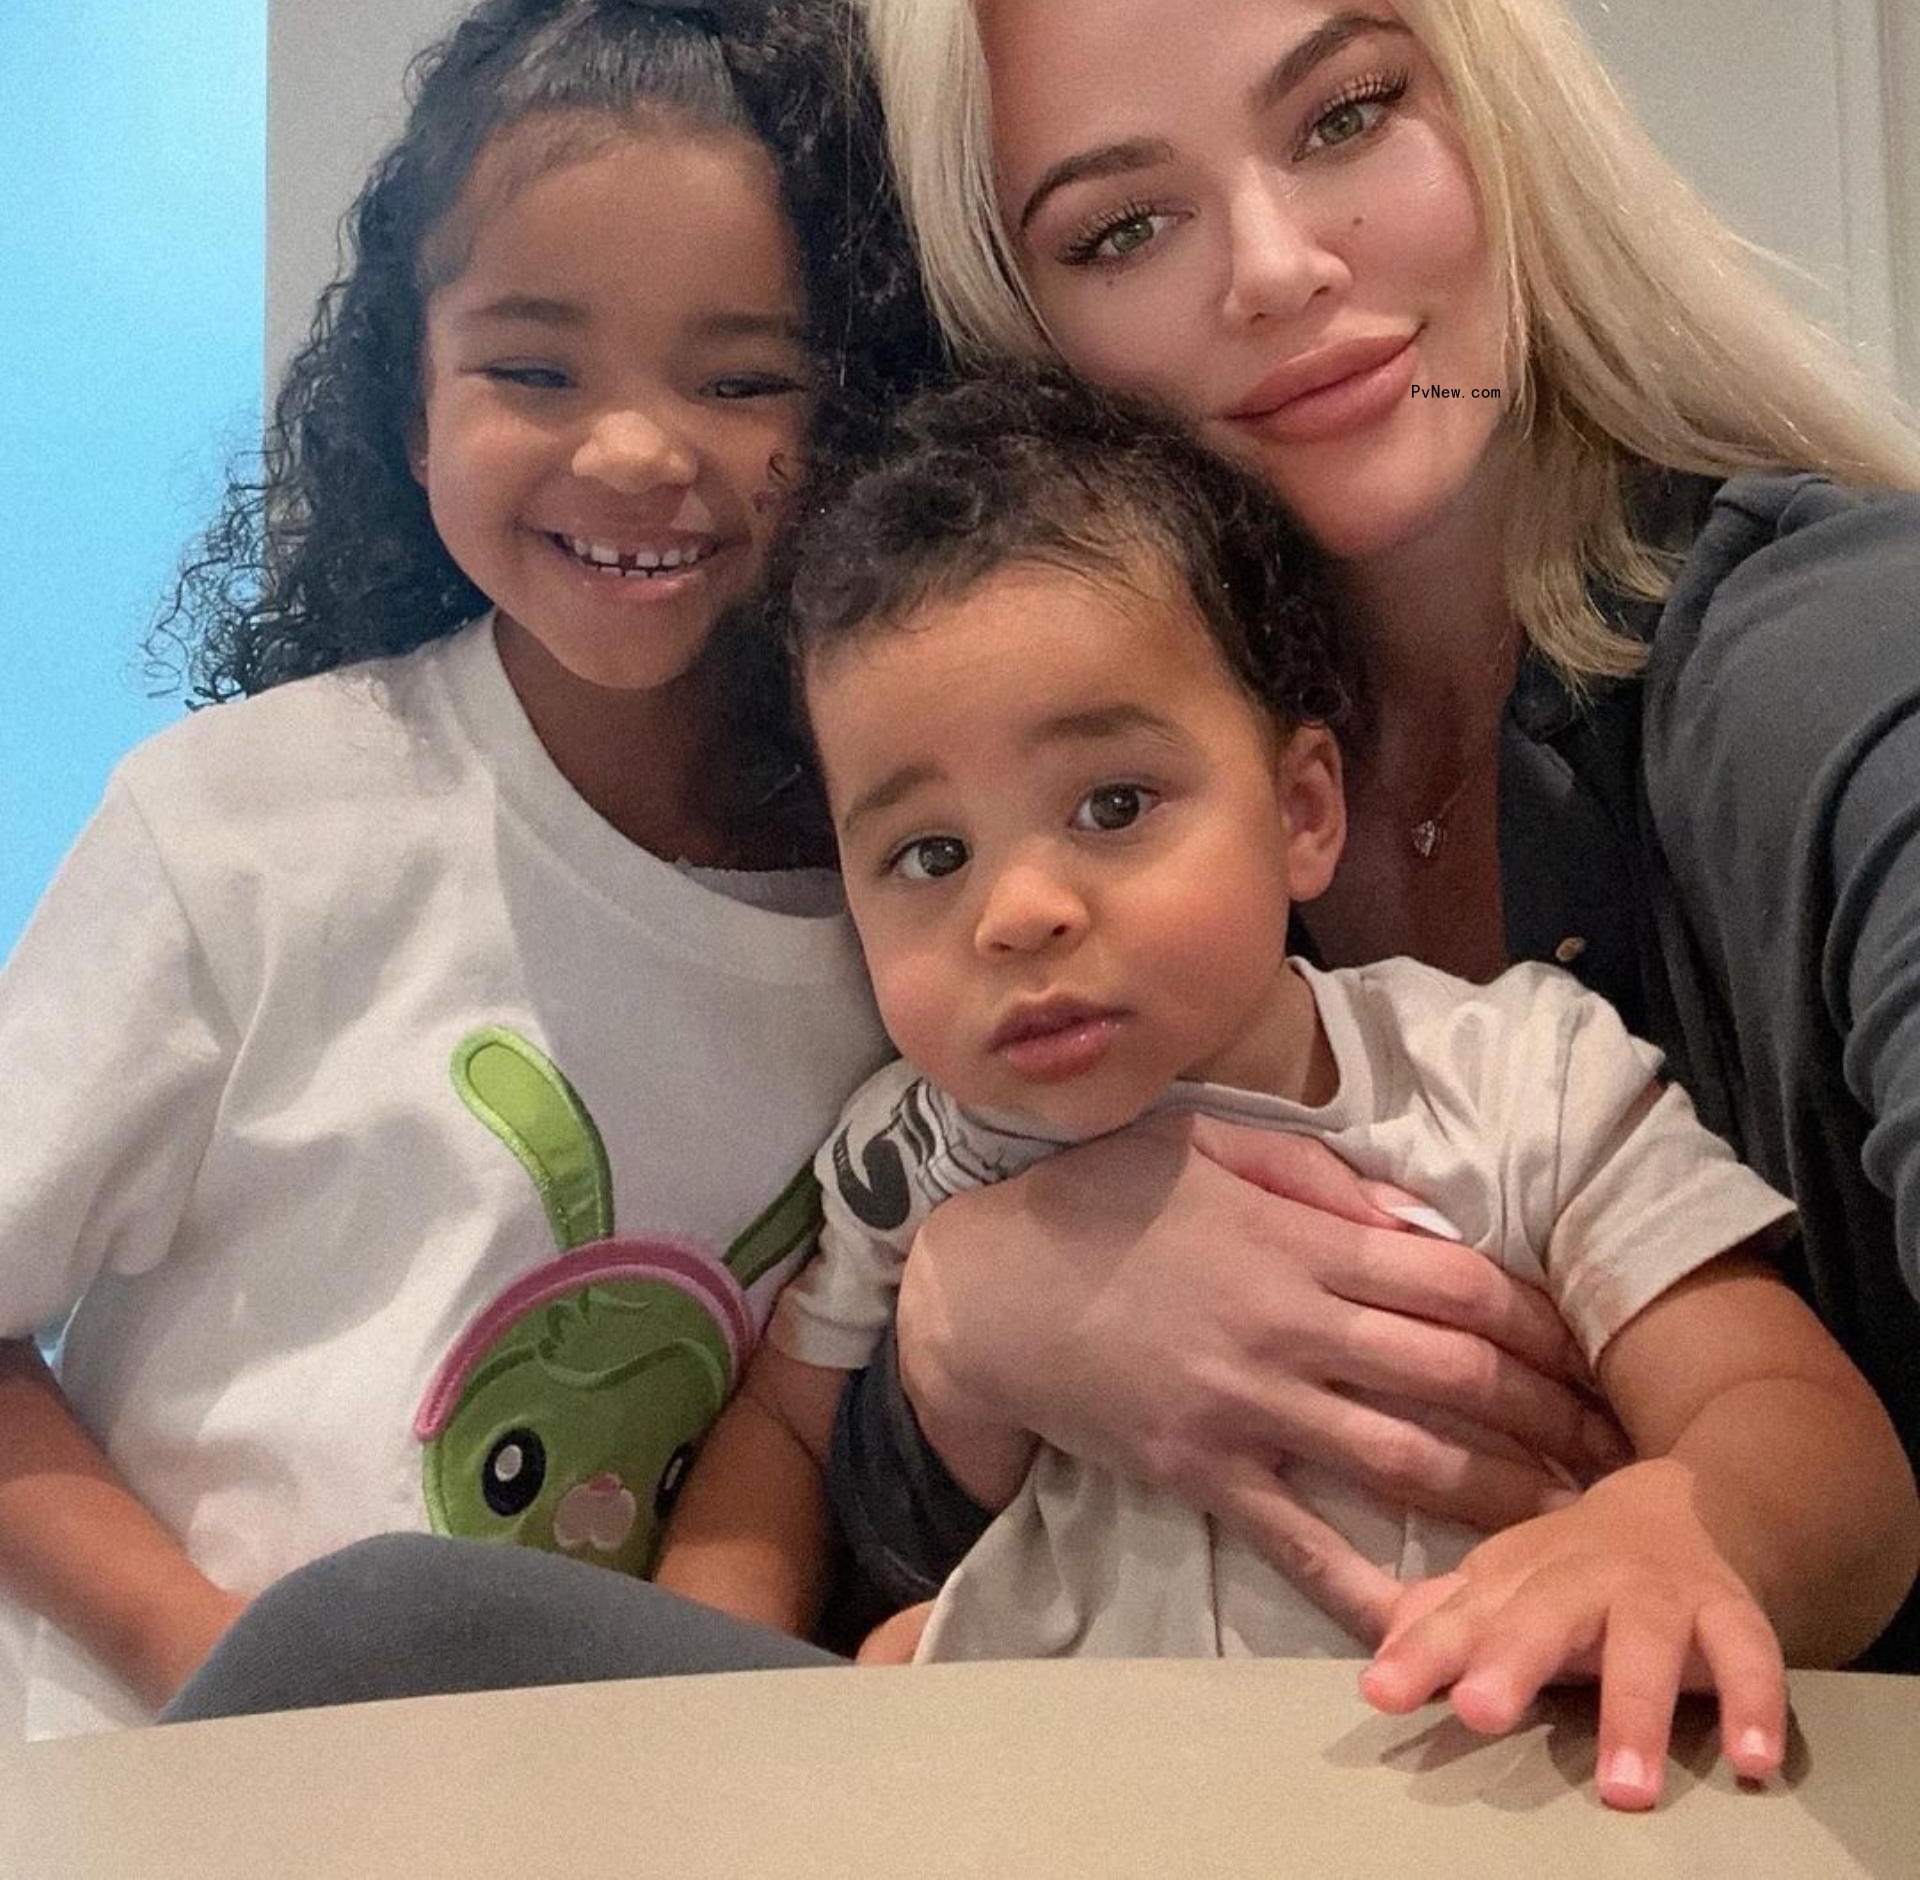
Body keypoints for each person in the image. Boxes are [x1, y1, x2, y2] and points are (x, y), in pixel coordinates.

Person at [840, 0, 1920, 1674]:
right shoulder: (1072, 805)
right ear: (1020, 337)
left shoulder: (1833, 666)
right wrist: (973, 1328)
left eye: (1343, 116)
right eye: (1123, 228)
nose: (1275, 267)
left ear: (1491, 109)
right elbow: (906, 1572)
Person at [653, 364, 1917, 1809]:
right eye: (928, 856)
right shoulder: (911, 1154)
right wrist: (720, 1710)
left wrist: (1683, 1539)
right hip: (1051, 1815)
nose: (1018, 911)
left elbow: (1810, 1439)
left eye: (1113, 806)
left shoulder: (1512, 1080)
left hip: (1453, 1796)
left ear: (1302, 810)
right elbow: (783, 1436)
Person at [0, 0, 936, 1738]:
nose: (636, 451)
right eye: (532, 366)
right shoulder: (240, 829)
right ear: (403, 399)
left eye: (744, 376)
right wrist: (234, 1691)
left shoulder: (916, 900)